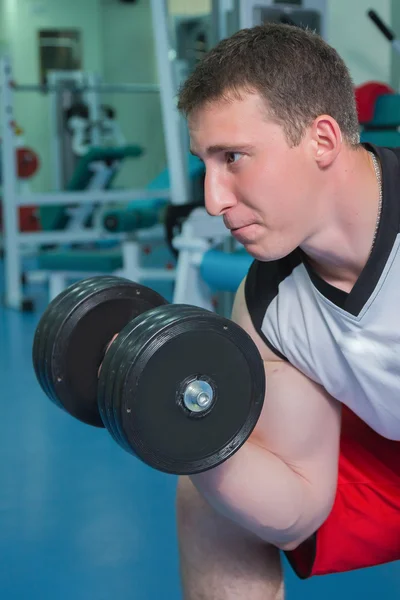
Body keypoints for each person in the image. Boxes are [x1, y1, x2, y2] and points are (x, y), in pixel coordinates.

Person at [174, 22, 400, 600]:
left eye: (234, 157)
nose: (213, 199)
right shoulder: (268, 304)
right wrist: (177, 428)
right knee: (208, 495)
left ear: (322, 140)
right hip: (389, 461)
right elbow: (299, 505)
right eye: (206, 163)